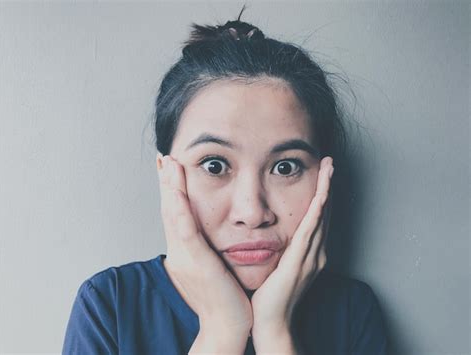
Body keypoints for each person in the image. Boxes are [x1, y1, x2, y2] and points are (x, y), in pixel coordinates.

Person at [63, 10, 388, 355]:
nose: (252, 212)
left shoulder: (352, 311)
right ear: (168, 175)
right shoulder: (110, 305)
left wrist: (276, 332)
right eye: (215, 165)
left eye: (285, 167)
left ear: (325, 176)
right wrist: (222, 329)